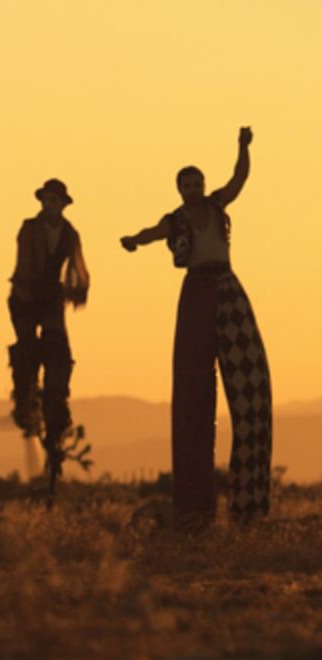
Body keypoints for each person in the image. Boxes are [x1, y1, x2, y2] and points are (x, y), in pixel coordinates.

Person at [120, 127, 271, 530]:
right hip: (197, 293)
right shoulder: (178, 219)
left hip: (226, 285)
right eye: (187, 184)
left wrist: (242, 147)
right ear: (179, 189)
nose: (193, 189)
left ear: (203, 185)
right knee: (191, 397)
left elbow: (239, 179)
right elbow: (156, 232)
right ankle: (193, 510)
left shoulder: (218, 204)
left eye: (197, 183)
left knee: (252, 387)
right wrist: (136, 239)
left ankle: (249, 505)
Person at [8, 178, 90, 482]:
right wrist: (28, 290)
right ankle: (25, 397)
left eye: (55, 200)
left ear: (63, 204)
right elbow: (24, 262)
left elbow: (77, 267)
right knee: (27, 351)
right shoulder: (29, 228)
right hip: (26, 295)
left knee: (58, 351)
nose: (50, 205)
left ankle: (56, 408)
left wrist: (75, 290)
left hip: (52, 296)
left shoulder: (70, 234)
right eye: (47, 200)